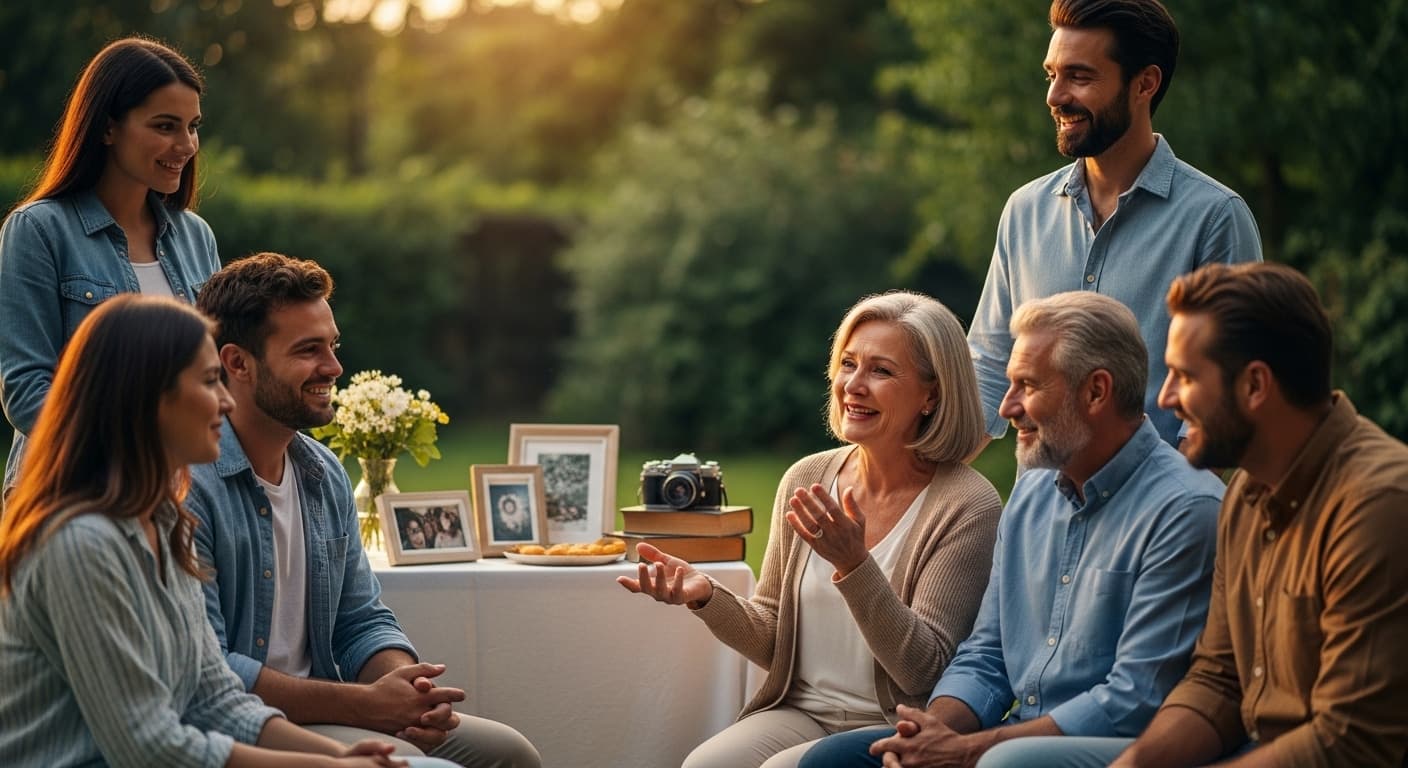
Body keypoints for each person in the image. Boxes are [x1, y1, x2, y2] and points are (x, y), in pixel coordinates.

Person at [0, 294, 455, 766]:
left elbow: (215, 697)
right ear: (145, 397)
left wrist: (341, 756)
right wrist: (332, 765)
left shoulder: (165, 521)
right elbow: (149, 747)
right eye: (208, 380)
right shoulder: (80, 544)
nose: (225, 399)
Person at [800, 291, 1225, 768]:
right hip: (1012, 738)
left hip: (1120, 749)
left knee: (1004, 764)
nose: (1006, 407)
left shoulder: (1185, 509)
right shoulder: (1031, 494)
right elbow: (986, 655)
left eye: (1027, 385)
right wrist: (931, 732)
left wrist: (969, 749)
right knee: (836, 760)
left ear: (1096, 392)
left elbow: (1134, 698)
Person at [618, 291, 1003, 768]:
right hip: (799, 713)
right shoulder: (806, 478)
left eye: (881, 371)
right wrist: (707, 597)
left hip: (892, 722)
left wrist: (854, 564)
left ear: (932, 395)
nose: (854, 386)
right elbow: (773, 639)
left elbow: (923, 671)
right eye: (848, 364)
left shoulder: (966, 504)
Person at [186, 252, 541, 768]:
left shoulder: (323, 473)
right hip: (240, 725)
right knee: (418, 763)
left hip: (331, 706)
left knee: (511, 754)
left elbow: (360, 620)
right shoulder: (189, 487)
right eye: (308, 350)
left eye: (333, 345)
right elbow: (211, 669)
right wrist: (367, 705)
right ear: (237, 363)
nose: (333, 367)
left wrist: (408, 691)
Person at [1110, 263, 1408, 766]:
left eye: (1185, 376)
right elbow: (1218, 679)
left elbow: (1350, 742)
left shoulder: (1377, 506)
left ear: (1254, 385)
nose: (1164, 398)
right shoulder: (1245, 492)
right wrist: (1136, 764)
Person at [966, 0, 1262, 449]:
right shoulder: (1024, 210)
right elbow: (988, 370)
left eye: (1079, 77)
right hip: (1037, 494)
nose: (1055, 96)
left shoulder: (1215, 217)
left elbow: (1220, 403)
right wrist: (912, 481)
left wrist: (1166, 493)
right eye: (1051, 75)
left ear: (1145, 84)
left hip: (1159, 494)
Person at [1, 37, 220, 494]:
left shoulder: (196, 236)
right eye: (165, 126)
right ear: (106, 128)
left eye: (193, 126)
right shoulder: (38, 231)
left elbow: (217, 377)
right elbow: (27, 390)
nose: (186, 145)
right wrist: (135, 452)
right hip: (73, 494)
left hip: (183, 498)